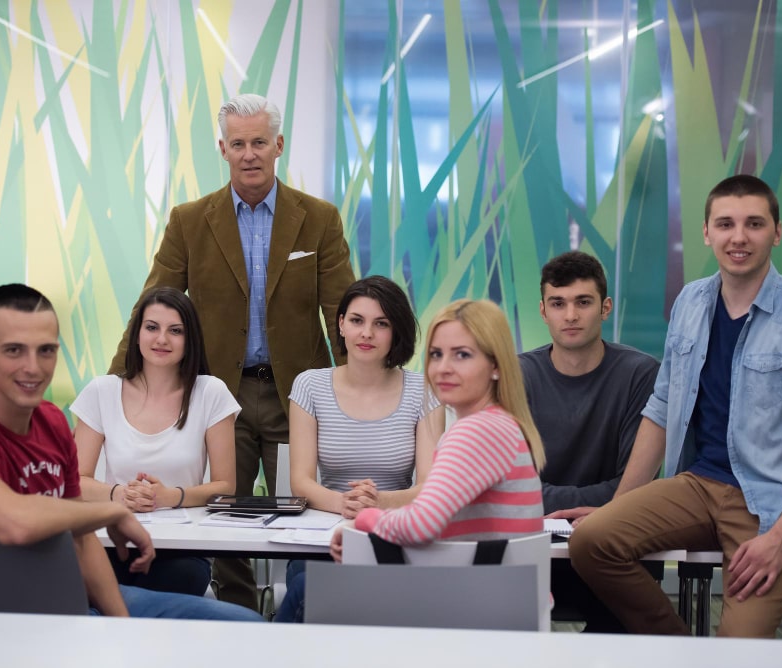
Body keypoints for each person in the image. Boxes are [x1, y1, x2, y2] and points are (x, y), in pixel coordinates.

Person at [566, 175, 782, 637]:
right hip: (698, 484)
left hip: (772, 503)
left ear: (776, 233)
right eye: (726, 224)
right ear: (706, 232)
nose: (739, 237)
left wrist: (781, 540)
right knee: (593, 541)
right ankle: (683, 650)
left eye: (754, 223)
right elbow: (661, 408)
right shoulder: (691, 302)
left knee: (738, 652)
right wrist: (618, 505)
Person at [110, 93, 356, 610]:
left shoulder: (319, 219)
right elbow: (152, 306)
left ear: (279, 145)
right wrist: (119, 383)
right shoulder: (190, 220)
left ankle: (300, 612)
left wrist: (357, 393)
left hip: (299, 397)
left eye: (259, 142)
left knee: (305, 506)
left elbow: (343, 315)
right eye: (238, 143)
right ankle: (240, 618)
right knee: (224, 513)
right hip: (222, 394)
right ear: (223, 149)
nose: (249, 153)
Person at [0, 284, 262, 621]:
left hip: (73, 593)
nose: (33, 367)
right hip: (5, 619)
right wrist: (112, 510)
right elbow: (15, 524)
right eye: (13, 350)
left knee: (248, 627)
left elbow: (82, 540)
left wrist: (118, 624)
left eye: (46, 350)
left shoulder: (49, 422)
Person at [274, 276, 445, 622]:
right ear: (341, 325)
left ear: (396, 331)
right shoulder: (309, 385)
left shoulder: (425, 390)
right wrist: (345, 503)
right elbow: (301, 482)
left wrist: (378, 503)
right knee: (308, 587)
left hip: (396, 536)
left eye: (380, 323)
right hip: (322, 537)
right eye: (357, 321)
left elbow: (430, 487)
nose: (366, 333)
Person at [330, 299, 545, 561]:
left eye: (462, 355)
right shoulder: (499, 424)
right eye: (436, 354)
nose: (443, 368)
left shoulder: (477, 431)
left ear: (496, 366)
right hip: (497, 595)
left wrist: (363, 520)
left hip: (480, 598)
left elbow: (421, 526)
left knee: (303, 590)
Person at [519, 251, 658, 632]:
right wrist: (586, 506)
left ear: (605, 307)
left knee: (623, 637)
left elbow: (638, 484)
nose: (570, 315)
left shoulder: (641, 375)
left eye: (583, 302)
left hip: (612, 546)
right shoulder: (518, 375)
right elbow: (509, 485)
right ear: (543, 311)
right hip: (531, 547)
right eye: (558, 304)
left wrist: (553, 502)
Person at [72, 287, 237, 597]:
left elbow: (225, 486)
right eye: (152, 327)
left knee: (174, 582)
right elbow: (75, 482)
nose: (162, 339)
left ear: (190, 340)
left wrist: (167, 496)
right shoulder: (101, 391)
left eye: (175, 331)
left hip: (183, 551)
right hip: (113, 541)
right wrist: (119, 494)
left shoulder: (210, 392)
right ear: (136, 334)